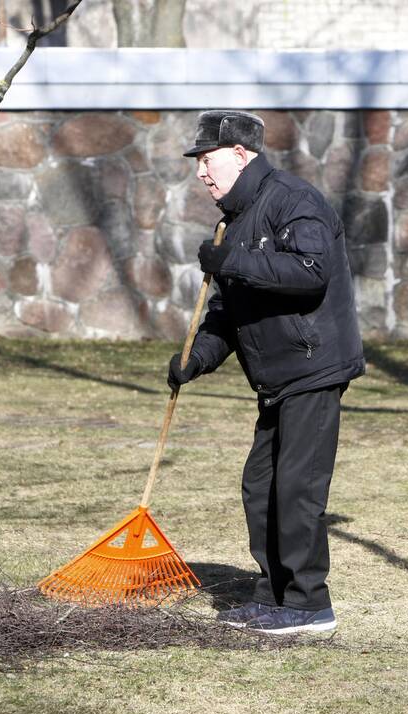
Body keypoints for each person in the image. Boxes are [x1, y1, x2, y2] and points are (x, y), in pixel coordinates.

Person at [168, 110, 365, 634]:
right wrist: (198, 358)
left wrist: (230, 261)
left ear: (239, 155)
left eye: (207, 160)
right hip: (277, 377)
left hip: (312, 367)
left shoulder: (294, 201)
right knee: (261, 485)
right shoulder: (235, 218)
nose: (201, 173)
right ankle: (273, 595)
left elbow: (310, 272)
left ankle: (307, 605)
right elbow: (230, 313)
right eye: (198, 163)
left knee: (296, 487)